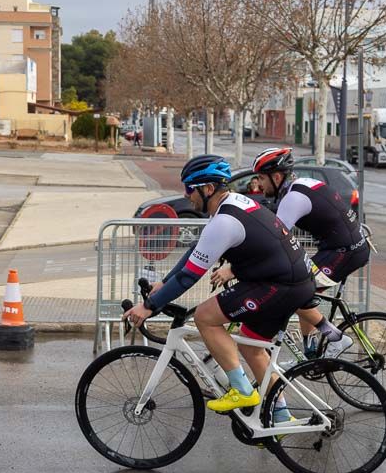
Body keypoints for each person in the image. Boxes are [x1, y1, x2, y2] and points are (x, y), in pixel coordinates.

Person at [123, 154, 315, 418]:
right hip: (291, 281)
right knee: (250, 346)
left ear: (208, 189)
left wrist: (148, 307)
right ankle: (281, 418)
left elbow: (189, 277)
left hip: (281, 285)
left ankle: (243, 391)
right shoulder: (230, 205)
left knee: (205, 317)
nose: (187, 195)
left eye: (190, 189)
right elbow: (195, 252)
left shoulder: (225, 221)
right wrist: (163, 284)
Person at [214, 147, 368, 358]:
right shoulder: (302, 185)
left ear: (276, 176)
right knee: (300, 288)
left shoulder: (293, 198)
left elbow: (274, 241)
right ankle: (310, 350)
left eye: (261, 178)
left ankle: (336, 337)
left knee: (294, 289)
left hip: (343, 252)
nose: (258, 184)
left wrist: (232, 269)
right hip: (342, 247)